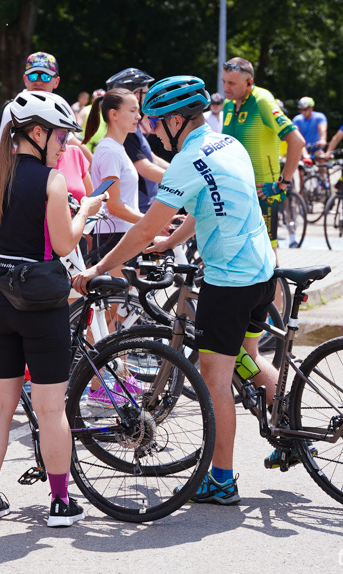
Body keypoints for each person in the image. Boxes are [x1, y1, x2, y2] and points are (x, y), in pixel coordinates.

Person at [72, 75, 278, 506]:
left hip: (230, 279)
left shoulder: (188, 159)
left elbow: (144, 224)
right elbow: (209, 204)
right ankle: (290, 432)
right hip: (263, 271)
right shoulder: (227, 143)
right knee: (250, 358)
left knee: (215, 378)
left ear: (178, 121)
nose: (150, 129)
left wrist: (99, 266)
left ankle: (221, 480)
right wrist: (170, 242)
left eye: (156, 122)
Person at [0, 91, 103, 527]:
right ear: (37, 133)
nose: (65, 144)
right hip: (42, 303)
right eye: (60, 135)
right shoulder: (52, 181)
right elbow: (63, 244)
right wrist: (87, 212)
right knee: (51, 408)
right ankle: (60, 503)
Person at [221, 57, 305, 252]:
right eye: (224, 81)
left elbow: (297, 141)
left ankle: (276, 285)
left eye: (231, 83)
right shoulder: (228, 104)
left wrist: (283, 183)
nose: (226, 87)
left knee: (266, 257)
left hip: (262, 191)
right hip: (234, 189)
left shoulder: (262, 100)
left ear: (249, 82)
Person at [0, 52, 93, 163]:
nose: (39, 82)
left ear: (56, 82)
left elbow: (72, 142)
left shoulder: (56, 108)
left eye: (46, 77)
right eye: (33, 76)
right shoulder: (13, 108)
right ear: (25, 79)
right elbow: (2, 151)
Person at [81, 89, 143, 270]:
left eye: (138, 111)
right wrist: (150, 222)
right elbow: (114, 206)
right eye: (132, 110)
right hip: (115, 234)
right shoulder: (110, 151)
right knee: (118, 298)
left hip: (121, 232)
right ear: (114, 114)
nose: (138, 116)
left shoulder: (115, 148)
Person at [105, 68, 169, 213]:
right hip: (139, 207)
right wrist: (182, 181)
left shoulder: (134, 127)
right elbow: (144, 168)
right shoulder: (127, 131)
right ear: (136, 95)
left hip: (146, 204)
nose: (149, 97)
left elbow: (150, 158)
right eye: (146, 92)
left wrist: (178, 171)